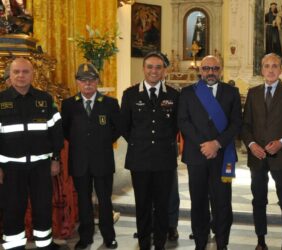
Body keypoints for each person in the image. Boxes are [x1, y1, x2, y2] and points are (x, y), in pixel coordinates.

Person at [178, 55, 242, 250]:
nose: (210, 72)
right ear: (200, 70)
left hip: (222, 156)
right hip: (197, 156)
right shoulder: (188, 93)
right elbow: (183, 121)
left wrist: (217, 143)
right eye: (206, 68)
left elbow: (236, 123)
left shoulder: (232, 92)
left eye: (215, 68)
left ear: (221, 70)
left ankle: (222, 242)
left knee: (222, 202)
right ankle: (200, 240)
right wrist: (205, 144)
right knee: (198, 201)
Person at [0, 57, 63, 249]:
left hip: (40, 167)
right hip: (11, 168)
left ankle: (45, 243)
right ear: (9, 75)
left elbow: (56, 132)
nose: (20, 76)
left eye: (25, 71)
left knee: (43, 206)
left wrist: (55, 159)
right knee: (12, 208)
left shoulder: (45, 99)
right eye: (16, 72)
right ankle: (13, 245)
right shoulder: (0, 101)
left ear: (32, 74)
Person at [119, 51, 180, 250]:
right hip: (140, 159)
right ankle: (144, 242)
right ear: (143, 69)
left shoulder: (173, 94)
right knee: (143, 204)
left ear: (164, 70)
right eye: (150, 67)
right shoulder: (130, 94)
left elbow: (177, 125)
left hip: (164, 159)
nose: (154, 71)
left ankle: (160, 243)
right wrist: (141, 142)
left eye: (158, 67)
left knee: (162, 205)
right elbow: (124, 126)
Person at [241, 53, 282, 250]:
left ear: (281, 69)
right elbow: (245, 125)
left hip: (281, 157)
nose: (271, 69)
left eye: (275, 66)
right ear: (261, 70)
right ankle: (260, 240)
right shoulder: (253, 93)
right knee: (259, 200)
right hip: (257, 157)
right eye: (267, 66)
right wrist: (251, 145)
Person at [61, 63, 120, 249]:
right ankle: (85, 237)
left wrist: (101, 143)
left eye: (92, 80)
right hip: (79, 161)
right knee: (84, 201)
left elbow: (117, 128)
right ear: (77, 82)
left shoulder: (110, 103)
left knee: (105, 200)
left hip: (102, 160)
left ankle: (109, 236)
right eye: (83, 80)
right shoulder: (69, 104)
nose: (88, 84)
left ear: (97, 82)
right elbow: (65, 131)